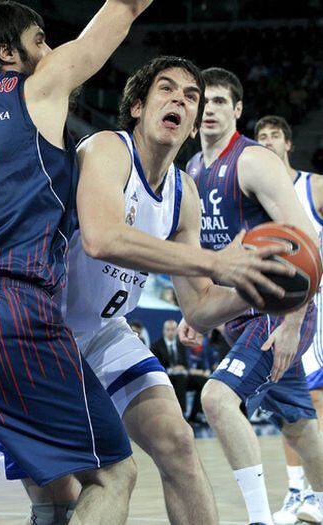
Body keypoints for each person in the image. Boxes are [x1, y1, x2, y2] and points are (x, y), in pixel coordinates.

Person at [0, 56, 294, 525]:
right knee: (63, 499)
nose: (180, 98)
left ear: (194, 124)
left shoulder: (185, 193)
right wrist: (219, 262)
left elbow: (197, 309)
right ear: (137, 106)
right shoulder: (106, 149)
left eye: (191, 96)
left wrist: (256, 289)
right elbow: (101, 239)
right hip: (37, 333)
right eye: (166, 89)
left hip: (105, 333)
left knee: (178, 444)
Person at [0, 1, 157, 522]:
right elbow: (123, 9)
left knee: (52, 488)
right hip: (6, 307)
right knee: (113, 474)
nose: (50, 50)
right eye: (40, 40)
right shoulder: (36, 88)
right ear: (8, 52)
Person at [186, 67, 323, 525]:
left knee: (217, 399)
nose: (209, 109)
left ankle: (260, 519)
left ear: (237, 110)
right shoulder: (192, 168)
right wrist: (198, 313)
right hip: (235, 314)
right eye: (203, 101)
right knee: (301, 427)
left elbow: (306, 244)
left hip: (276, 310)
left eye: (220, 101)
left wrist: (292, 324)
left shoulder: (252, 161)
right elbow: (210, 255)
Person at [255, 115, 323, 524]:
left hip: (315, 300)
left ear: (289, 144)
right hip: (280, 301)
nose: (267, 142)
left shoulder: (313, 186)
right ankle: (298, 491)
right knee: (287, 400)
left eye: (274, 135)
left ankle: (316, 492)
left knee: (313, 398)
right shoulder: (256, 193)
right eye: (260, 136)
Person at [151, 319, 208, 422]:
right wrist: (172, 369)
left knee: (202, 380)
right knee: (181, 379)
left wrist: (183, 368)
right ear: (164, 331)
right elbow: (156, 368)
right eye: (168, 330)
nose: (170, 332)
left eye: (173, 329)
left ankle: (196, 414)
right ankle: (181, 414)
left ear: (177, 331)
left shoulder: (181, 344)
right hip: (167, 377)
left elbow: (186, 364)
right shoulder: (156, 346)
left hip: (182, 375)